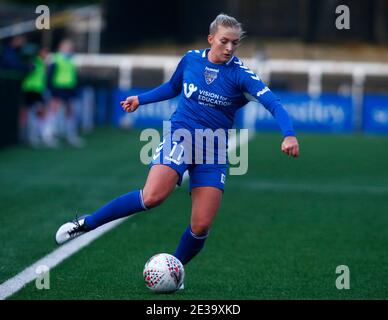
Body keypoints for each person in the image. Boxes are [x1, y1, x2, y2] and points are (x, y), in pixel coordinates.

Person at [55, 13, 299, 280]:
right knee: (152, 197)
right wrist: (141, 99)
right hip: (180, 136)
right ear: (211, 39)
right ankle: (86, 223)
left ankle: (174, 270)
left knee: (201, 225)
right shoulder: (191, 59)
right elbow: (173, 87)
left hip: (213, 149)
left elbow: (274, 104)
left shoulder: (241, 75)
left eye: (235, 43)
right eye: (224, 41)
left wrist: (289, 135)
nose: (229, 48)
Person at [47, 39, 85, 147]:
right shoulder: (55, 59)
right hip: (58, 88)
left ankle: (71, 136)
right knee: (54, 111)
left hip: (69, 89)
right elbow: (50, 75)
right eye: (67, 47)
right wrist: (51, 89)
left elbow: (74, 76)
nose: (69, 50)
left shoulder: (72, 60)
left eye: (70, 48)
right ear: (61, 48)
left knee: (71, 112)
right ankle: (49, 135)